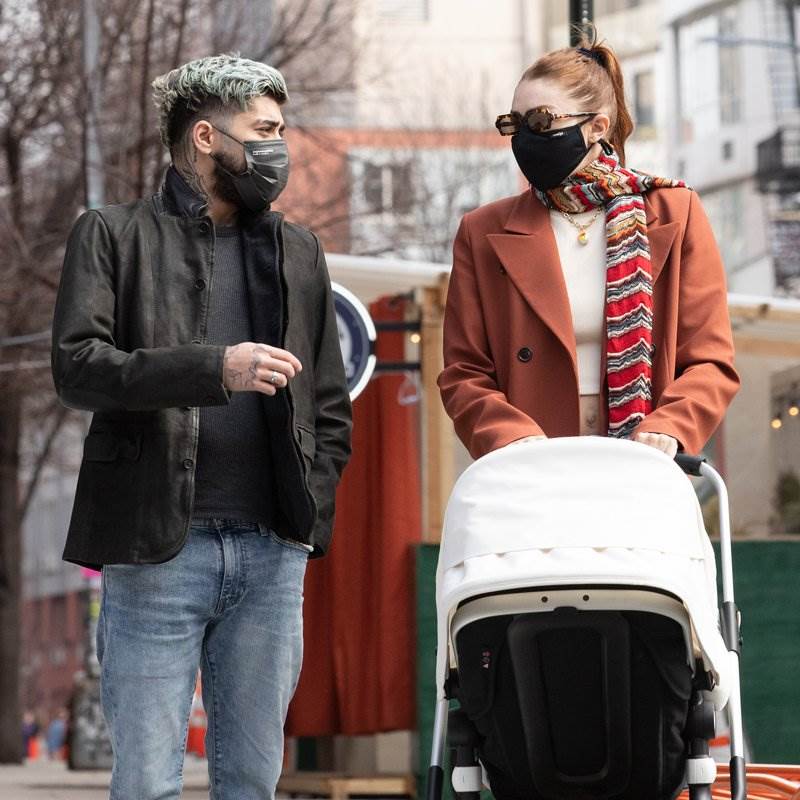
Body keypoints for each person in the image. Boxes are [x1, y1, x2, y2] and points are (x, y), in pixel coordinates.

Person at [50, 54, 352, 799]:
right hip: (155, 547)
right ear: (207, 137)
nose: (279, 147)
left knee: (251, 781)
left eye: (281, 129)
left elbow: (329, 405)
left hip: (271, 553)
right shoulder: (111, 235)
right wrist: (214, 368)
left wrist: (305, 523)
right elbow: (78, 368)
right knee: (147, 784)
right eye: (264, 130)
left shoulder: (299, 251)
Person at [438, 28, 739, 460]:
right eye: (515, 124)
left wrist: (670, 427)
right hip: (532, 466)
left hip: (642, 462)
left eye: (541, 121)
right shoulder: (482, 231)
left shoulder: (674, 210)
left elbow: (709, 358)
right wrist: (509, 436)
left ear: (597, 127)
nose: (525, 138)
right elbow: (463, 372)